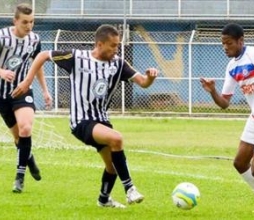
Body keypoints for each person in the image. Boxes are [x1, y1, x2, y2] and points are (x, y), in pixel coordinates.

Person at [12, 24, 158, 208]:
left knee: (112, 166)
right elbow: (42, 56)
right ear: (99, 44)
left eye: (118, 45)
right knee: (117, 139)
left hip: (102, 121)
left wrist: (150, 77)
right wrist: (27, 81)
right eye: (113, 45)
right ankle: (130, 189)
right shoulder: (76, 57)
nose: (116, 49)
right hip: (81, 121)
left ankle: (104, 200)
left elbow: (143, 82)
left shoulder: (118, 64)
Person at [200, 23, 254, 212]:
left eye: (229, 43)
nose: (225, 47)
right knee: (240, 163)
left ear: (241, 41)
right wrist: (213, 91)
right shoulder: (232, 66)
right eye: (223, 43)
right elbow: (224, 103)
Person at [0, 3, 52, 193]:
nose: (29, 26)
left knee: (26, 128)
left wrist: (45, 91)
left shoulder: (35, 39)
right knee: (18, 138)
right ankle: (28, 159)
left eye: (32, 22)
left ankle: (19, 177)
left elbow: (37, 65)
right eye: (24, 22)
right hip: (2, 94)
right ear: (15, 21)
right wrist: (2, 71)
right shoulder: (2, 37)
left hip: (22, 91)